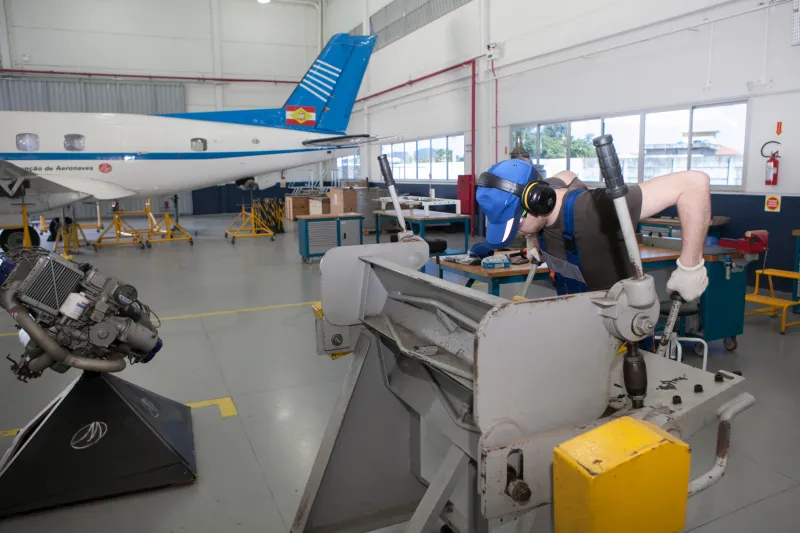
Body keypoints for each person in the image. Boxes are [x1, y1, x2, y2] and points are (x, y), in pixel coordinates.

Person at [475, 158, 711, 302]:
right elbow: (566, 176)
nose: (517, 233)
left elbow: (693, 183)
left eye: (517, 224)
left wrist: (690, 266)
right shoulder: (548, 196)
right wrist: (532, 236)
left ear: (538, 200)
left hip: (624, 324)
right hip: (576, 316)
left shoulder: (594, 208)